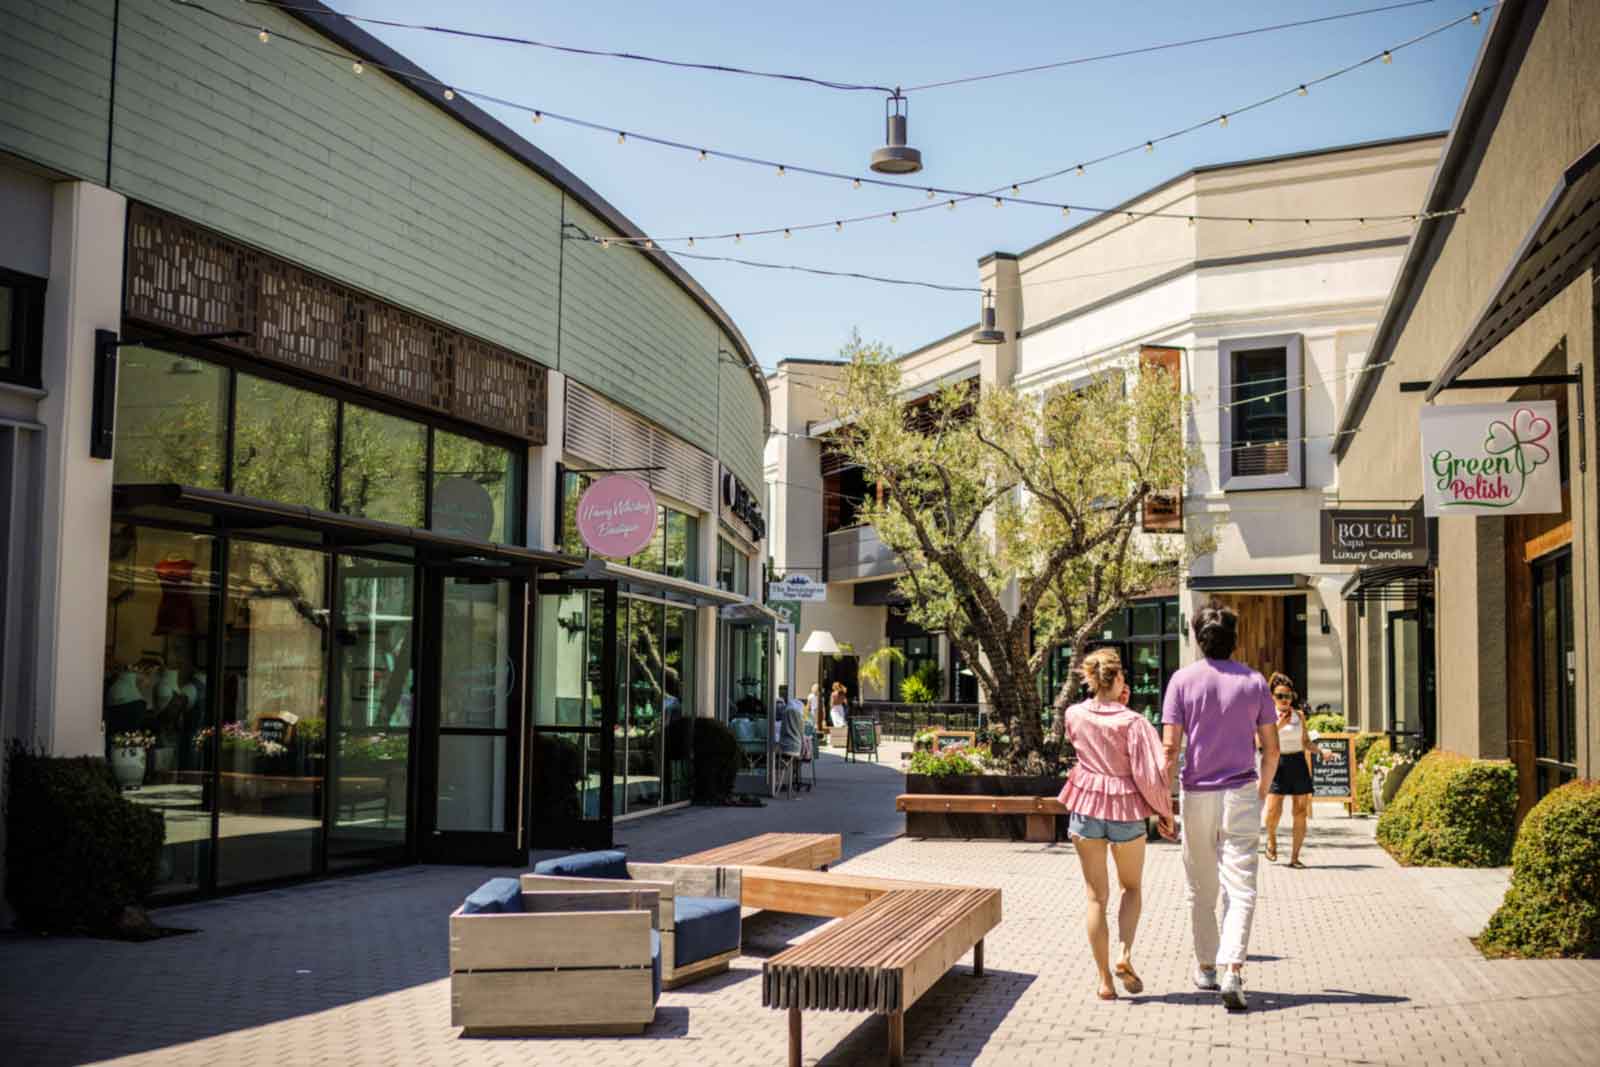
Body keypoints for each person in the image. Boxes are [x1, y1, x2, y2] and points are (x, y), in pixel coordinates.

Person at [1161, 603, 1280, 1012]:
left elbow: (1170, 747)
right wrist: (1261, 791)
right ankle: (1233, 969)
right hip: (1242, 789)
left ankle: (1207, 967)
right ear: (1235, 639)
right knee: (1241, 883)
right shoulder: (1254, 682)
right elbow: (1272, 749)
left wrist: (1163, 800)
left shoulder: (1182, 681)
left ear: (1197, 638)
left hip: (1195, 793)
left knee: (1200, 885)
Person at [1057, 649, 1176, 1001]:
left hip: (1086, 804)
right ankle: (1125, 953)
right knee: (1132, 888)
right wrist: (1164, 812)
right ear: (1119, 679)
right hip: (1125, 808)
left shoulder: (1074, 714)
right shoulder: (1134, 723)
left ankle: (1104, 980)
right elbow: (1149, 775)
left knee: (1096, 897)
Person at [1263, 673, 1315, 867]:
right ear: (1272, 697)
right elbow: (1260, 742)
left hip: (1298, 762)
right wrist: (1279, 725)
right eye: (1280, 696)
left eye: (1288, 696)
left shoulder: (1299, 715)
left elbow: (1306, 742)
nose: (1285, 700)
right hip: (1277, 762)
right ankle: (1271, 839)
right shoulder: (1266, 716)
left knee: (1300, 811)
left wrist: (1321, 751)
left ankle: (1295, 857)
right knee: (1273, 809)